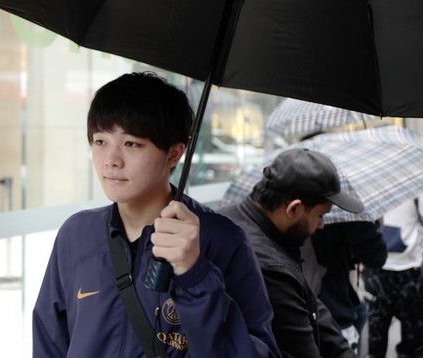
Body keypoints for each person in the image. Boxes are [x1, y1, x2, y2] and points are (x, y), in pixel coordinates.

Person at [32, 72, 280, 357]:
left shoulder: (223, 239)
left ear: (173, 154)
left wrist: (195, 275)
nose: (111, 160)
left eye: (131, 144)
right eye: (100, 141)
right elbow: (49, 342)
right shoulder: (76, 234)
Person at [219, 148, 365, 358]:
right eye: (320, 215)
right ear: (294, 209)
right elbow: (300, 348)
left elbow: (307, 301)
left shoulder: (233, 218)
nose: (322, 225)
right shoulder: (269, 267)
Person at [306, 220, 387, 354]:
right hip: (333, 307)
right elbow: (376, 255)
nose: (320, 223)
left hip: (306, 305)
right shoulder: (342, 213)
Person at [362, 198, 423, 358]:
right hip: (405, 268)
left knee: (377, 340)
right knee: (411, 343)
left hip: (382, 267)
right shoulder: (414, 185)